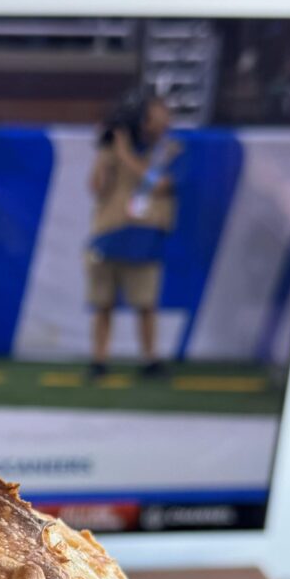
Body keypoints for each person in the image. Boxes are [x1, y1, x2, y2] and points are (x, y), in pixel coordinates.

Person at [86, 92, 181, 378]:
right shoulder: (113, 150)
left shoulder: (171, 150)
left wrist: (126, 155)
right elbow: (96, 188)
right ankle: (99, 360)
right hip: (109, 232)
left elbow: (161, 184)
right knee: (103, 303)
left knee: (145, 303)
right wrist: (108, 152)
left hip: (145, 235)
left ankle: (150, 358)